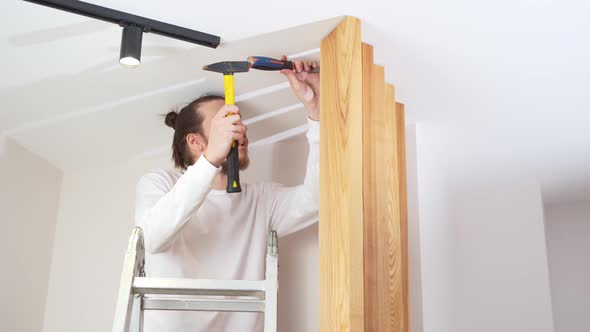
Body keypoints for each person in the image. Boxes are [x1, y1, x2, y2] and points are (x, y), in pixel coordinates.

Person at [134, 57, 320, 332]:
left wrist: (315, 110)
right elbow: (153, 238)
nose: (240, 129)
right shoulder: (160, 184)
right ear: (195, 142)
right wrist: (211, 159)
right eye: (226, 122)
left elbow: (319, 199)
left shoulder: (262, 201)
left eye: (239, 122)